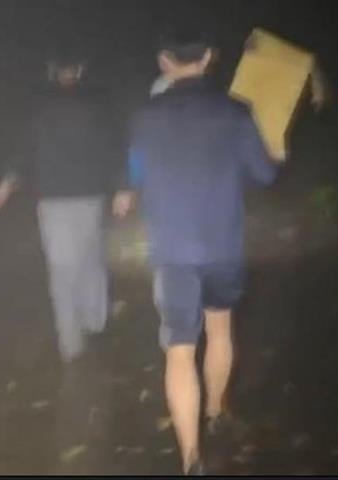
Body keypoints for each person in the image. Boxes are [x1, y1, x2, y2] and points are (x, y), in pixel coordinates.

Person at [114, 31, 278, 474]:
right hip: (223, 243)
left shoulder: (144, 117)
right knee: (220, 331)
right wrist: (273, 152)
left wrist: (129, 191)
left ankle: (190, 457)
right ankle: (216, 412)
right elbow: (265, 174)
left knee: (179, 350)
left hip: (171, 249)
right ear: (208, 58)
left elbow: (135, 169)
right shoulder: (236, 111)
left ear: (164, 61)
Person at [0, 50, 120, 364]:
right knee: (91, 258)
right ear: (80, 70)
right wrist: (122, 186)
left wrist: (6, 185)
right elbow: (113, 147)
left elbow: (23, 151)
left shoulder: (38, 107)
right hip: (90, 194)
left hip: (52, 198)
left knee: (61, 269)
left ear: (52, 71)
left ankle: (70, 342)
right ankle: (95, 321)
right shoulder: (97, 104)